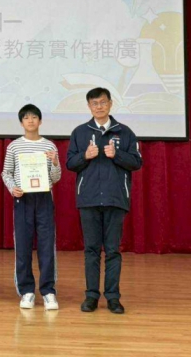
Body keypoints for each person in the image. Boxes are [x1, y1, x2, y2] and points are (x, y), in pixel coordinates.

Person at [66, 87, 142, 314]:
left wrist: (117, 155)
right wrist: (84, 156)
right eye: (94, 103)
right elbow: (70, 163)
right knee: (91, 250)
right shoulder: (80, 132)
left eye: (102, 102)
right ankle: (91, 296)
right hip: (88, 200)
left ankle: (113, 297)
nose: (99, 107)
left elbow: (136, 162)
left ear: (110, 103)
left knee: (112, 251)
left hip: (115, 199)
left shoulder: (125, 132)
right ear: (89, 107)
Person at [1, 104, 61, 310]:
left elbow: (56, 177)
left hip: (44, 198)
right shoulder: (14, 146)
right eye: (26, 118)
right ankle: (26, 291)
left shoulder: (50, 146)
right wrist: (13, 188)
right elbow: (6, 172)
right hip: (23, 199)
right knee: (23, 246)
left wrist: (55, 163)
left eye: (34, 117)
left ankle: (48, 291)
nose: (30, 121)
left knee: (46, 246)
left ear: (40, 121)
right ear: (21, 122)